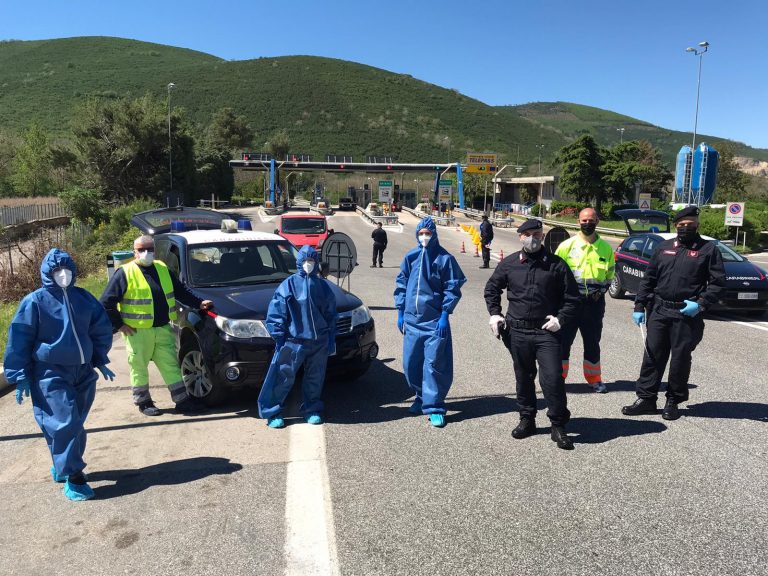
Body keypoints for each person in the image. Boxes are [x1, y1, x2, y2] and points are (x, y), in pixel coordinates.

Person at [4, 249, 114, 501]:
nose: (62, 275)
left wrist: (99, 358)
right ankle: (74, 476)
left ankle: (63, 463)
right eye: (56, 271)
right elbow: (20, 338)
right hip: (50, 372)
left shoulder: (84, 298)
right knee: (65, 423)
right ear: (46, 273)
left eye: (66, 269)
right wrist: (19, 373)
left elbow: (99, 329)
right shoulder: (35, 302)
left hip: (83, 371)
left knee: (75, 422)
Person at [484, 219, 581, 450]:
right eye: (527, 234)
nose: (532, 238)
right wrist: (495, 314)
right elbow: (492, 289)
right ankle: (527, 419)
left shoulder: (557, 265)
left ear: (543, 235)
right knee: (524, 377)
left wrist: (560, 319)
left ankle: (558, 424)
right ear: (520, 237)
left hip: (546, 332)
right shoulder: (509, 264)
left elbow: (572, 298)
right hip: (517, 331)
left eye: (536, 233)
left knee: (552, 379)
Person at [622, 206, 725, 420]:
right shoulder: (664, 248)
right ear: (676, 226)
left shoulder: (708, 250)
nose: (685, 228)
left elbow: (718, 283)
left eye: (690, 225)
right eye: (681, 225)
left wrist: (701, 304)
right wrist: (639, 306)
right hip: (659, 310)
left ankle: (673, 400)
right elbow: (649, 279)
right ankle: (647, 399)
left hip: (686, 314)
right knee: (652, 356)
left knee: (679, 359)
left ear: (697, 225)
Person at [100, 235, 213, 416]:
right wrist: (119, 325)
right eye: (141, 250)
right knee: (138, 368)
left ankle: (182, 401)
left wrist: (199, 303)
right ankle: (143, 402)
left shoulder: (162, 268)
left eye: (149, 249)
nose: (146, 253)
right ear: (134, 252)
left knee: (170, 366)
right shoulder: (125, 272)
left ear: (154, 250)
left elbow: (180, 292)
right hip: (137, 332)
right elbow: (106, 303)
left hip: (162, 328)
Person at [394, 217, 466, 428]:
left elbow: (452, 288)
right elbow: (401, 284)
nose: (424, 236)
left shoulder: (445, 259)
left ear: (434, 234)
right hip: (411, 320)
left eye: (428, 233)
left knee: (434, 365)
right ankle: (421, 397)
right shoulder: (411, 256)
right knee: (411, 363)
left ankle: (435, 406)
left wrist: (445, 315)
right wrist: (400, 311)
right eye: (421, 233)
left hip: (434, 321)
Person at [258, 246, 337, 428]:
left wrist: (330, 336)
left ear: (316, 262)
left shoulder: (322, 286)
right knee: (283, 376)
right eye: (305, 261)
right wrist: (278, 336)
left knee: (315, 377)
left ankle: (312, 409)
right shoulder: (289, 285)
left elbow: (330, 312)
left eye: (311, 261)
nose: (308, 264)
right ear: (299, 262)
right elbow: (277, 312)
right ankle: (273, 411)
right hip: (293, 341)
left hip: (318, 341)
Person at [555, 208, 615, 393]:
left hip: (594, 305)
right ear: (578, 222)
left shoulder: (605, 248)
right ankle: (558, 379)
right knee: (563, 343)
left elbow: (610, 274)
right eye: (583, 220)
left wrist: (602, 290)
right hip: (569, 304)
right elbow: (554, 274)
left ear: (597, 221)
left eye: (591, 220)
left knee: (592, 343)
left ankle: (594, 379)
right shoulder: (566, 246)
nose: (587, 223)